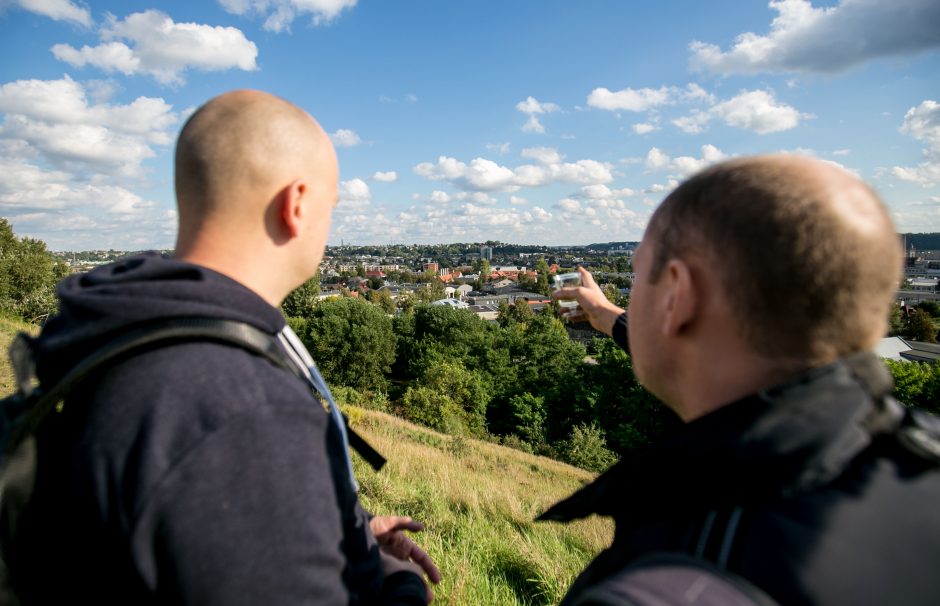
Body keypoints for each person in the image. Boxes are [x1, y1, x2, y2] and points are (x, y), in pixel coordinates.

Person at [9, 90, 439, 604]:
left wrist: (324, 533)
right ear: (296, 203)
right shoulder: (243, 414)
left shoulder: (129, 329)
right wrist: (396, 579)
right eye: (332, 204)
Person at [547, 155, 940, 605]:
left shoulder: (672, 582)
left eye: (639, 274)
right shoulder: (916, 454)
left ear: (678, 294)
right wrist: (610, 318)